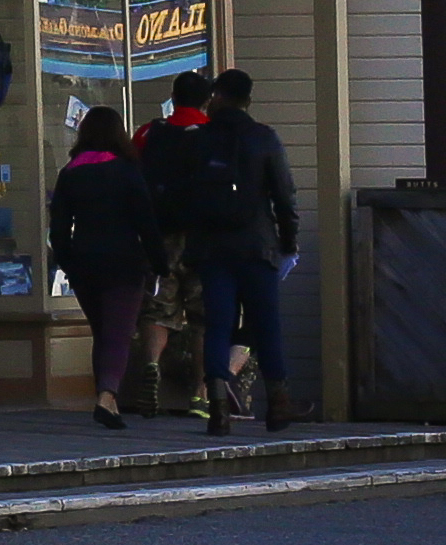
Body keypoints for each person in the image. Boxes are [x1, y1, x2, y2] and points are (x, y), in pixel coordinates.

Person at [165, 67, 304, 428]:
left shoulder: (198, 140)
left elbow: (181, 194)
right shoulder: (264, 139)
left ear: (217, 97)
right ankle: (278, 402)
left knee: (218, 324)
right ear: (248, 101)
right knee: (266, 324)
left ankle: (216, 404)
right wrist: (288, 242)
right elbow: (284, 195)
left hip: (212, 249)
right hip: (257, 246)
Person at [46, 102, 163, 430]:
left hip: (84, 263)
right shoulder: (126, 170)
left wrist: (67, 262)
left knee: (102, 332)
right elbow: (146, 222)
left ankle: (107, 401)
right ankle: (106, 395)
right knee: (118, 333)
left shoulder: (70, 173)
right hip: (124, 262)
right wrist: (159, 262)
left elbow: (59, 228)